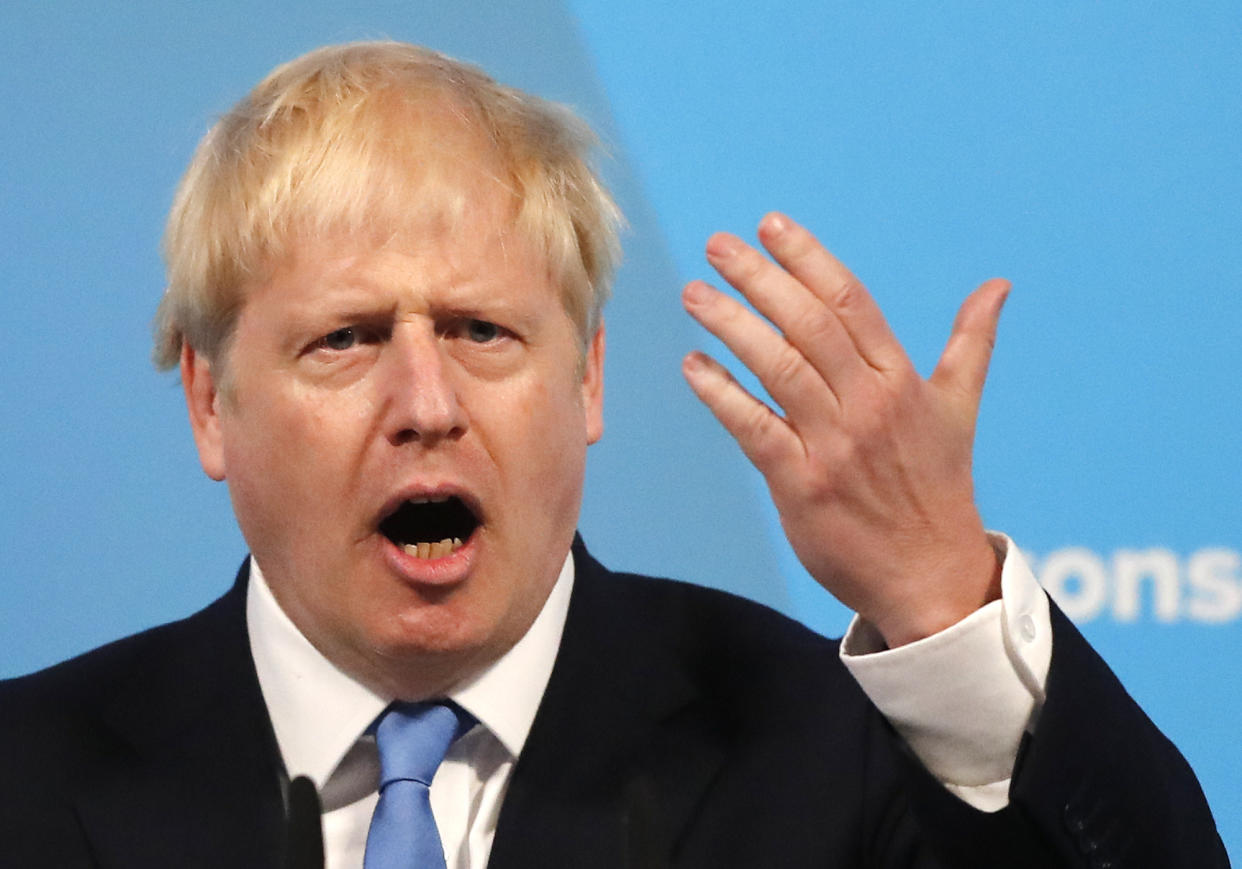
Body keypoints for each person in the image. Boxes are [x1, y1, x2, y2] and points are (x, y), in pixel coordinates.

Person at [0, 41, 1227, 869]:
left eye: (483, 330)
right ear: (211, 403)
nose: (425, 401)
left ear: (587, 379)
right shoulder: (29, 780)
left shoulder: (822, 754)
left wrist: (935, 588)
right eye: (346, 338)